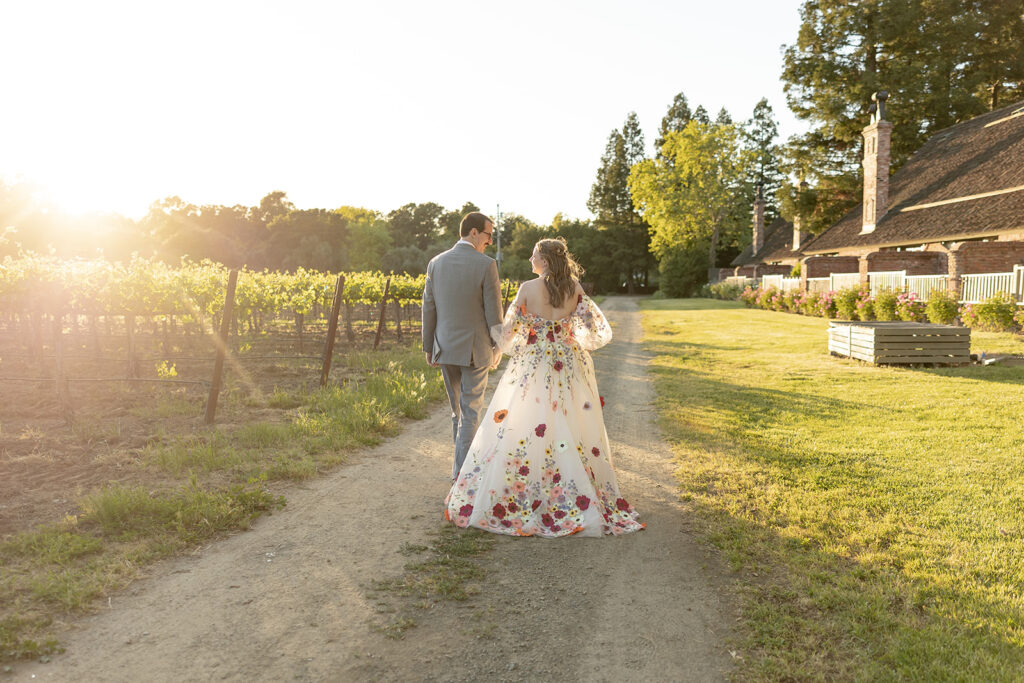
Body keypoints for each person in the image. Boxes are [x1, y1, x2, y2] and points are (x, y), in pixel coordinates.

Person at [444, 238, 643, 537]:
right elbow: (597, 329)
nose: (530, 259)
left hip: (535, 360)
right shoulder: (574, 288)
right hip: (568, 360)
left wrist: (513, 343)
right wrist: (569, 336)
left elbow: (509, 330)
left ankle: (530, 487)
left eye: (534, 255)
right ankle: (569, 487)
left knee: (527, 421)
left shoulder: (527, 289)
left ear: (545, 261)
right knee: (568, 422)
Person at [422, 212, 504, 480]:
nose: (489, 241)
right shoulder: (486, 265)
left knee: (457, 411)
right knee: (470, 412)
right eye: (488, 235)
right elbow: (494, 313)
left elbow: (429, 308)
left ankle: (460, 469)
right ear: (473, 233)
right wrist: (498, 346)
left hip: (444, 347)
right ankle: (462, 476)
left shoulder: (435, 263)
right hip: (474, 350)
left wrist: (428, 346)